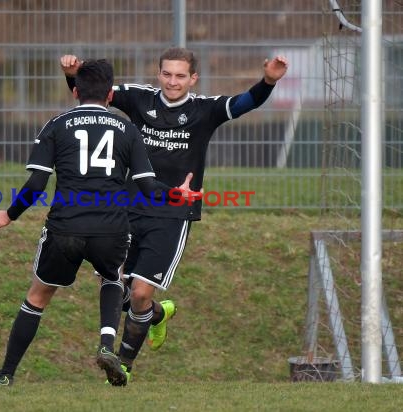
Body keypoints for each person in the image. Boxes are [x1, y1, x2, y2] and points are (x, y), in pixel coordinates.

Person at [60, 48, 288, 380]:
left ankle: (123, 363)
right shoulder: (139, 99)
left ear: (193, 78)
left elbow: (243, 103)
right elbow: (93, 96)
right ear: (159, 74)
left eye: (181, 76)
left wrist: (268, 81)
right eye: (167, 74)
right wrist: (72, 74)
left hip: (172, 212)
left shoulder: (204, 110)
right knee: (115, 286)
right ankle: (155, 315)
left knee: (139, 292)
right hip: (127, 207)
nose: (173, 81)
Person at [0, 59, 197, 387]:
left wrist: (8, 215)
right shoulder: (127, 129)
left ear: (75, 91)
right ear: (110, 95)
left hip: (65, 227)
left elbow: (36, 185)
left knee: (37, 297)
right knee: (112, 276)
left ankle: (6, 374)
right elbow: (148, 187)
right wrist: (177, 195)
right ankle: (105, 345)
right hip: (111, 230)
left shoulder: (56, 125)